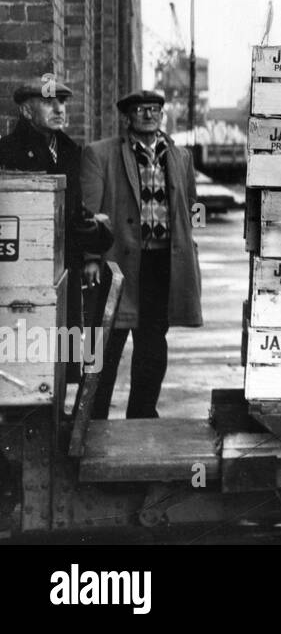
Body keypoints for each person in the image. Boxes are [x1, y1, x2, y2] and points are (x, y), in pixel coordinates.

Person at [81, 89, 203, 419]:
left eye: (154, 110)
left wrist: (191, 237)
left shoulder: (181, 156)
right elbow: (88, 212)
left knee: (152, 343)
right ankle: (93, 419)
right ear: (127, 117)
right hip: (117, 266)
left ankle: (142, 415)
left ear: (161, 115)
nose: (148, 115)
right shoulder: (100, 154)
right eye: (140, 110)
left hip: (162, 265)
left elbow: (194, 204)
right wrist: (92, 257)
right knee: (107, 341)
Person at [0, 79, 114, 375]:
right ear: (26, 111)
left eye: (63, 103)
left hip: (65, 269)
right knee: (29, 357)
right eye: (50, 102)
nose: (59, 109)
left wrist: (93, 237)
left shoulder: (67, 150)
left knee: (62, 354)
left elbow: (74, 211)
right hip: (27, 275)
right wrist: (98, 232)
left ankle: (59, 413)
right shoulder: (8, 152)